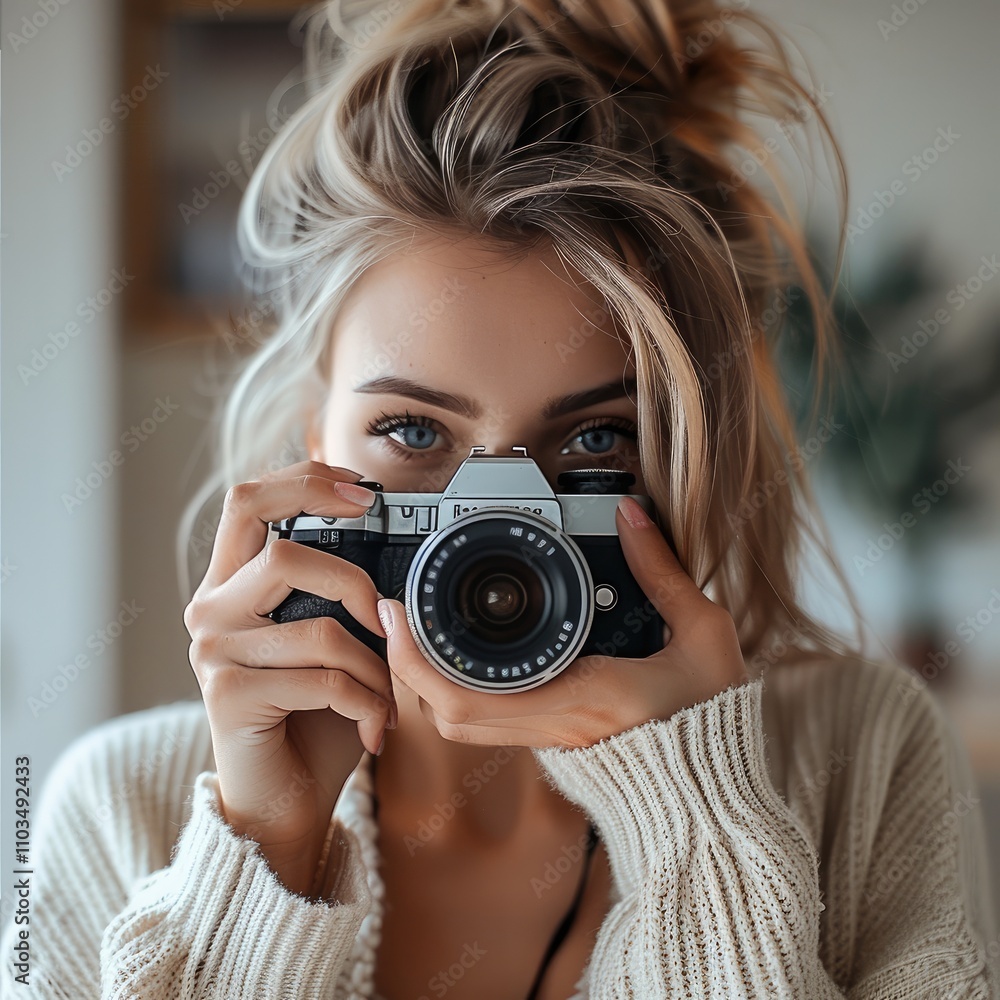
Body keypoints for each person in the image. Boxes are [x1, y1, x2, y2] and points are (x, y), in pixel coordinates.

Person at [3, 0, 998, 997]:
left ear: (693, 449)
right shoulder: (118, 809)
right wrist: (266, 852)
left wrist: (697, 816)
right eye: (414, 432)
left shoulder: (864, 761)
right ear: (315, 437)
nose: (497, 522)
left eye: (597, 440)